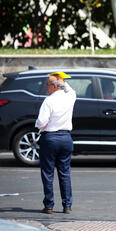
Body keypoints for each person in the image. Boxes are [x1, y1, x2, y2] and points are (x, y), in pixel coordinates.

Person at [35, 73, 76, 214]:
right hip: (66, 138)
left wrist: (40, 126)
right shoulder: (70, 97)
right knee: (65, 173)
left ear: (53, 86)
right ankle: (67, 205)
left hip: (50, 139)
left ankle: (49, 205)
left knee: (47, 173)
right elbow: (70, 89)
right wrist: (61, 80)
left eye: (48, 84)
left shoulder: (48, 101)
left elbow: (41, 122)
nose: (46, 87)